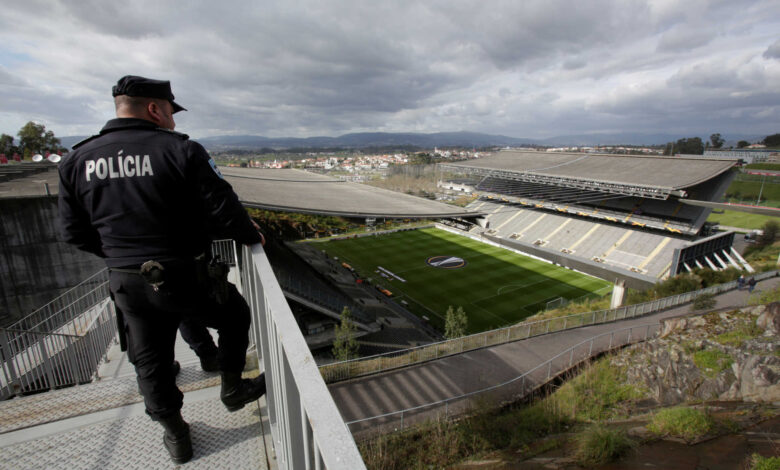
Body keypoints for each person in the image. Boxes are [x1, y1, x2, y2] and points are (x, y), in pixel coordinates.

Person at [58, 75, 266, 464]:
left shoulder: (76, 160)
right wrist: (248, 233)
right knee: (235, 316)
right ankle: (233, 388)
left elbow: (73, 233)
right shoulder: (181, 150)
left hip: (128, 281)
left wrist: (121, 257)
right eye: (170, 110)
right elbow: (225, 209)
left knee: (150, 361)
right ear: (154, 108)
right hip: (186, 273)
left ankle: (176, 436)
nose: (172, 118)